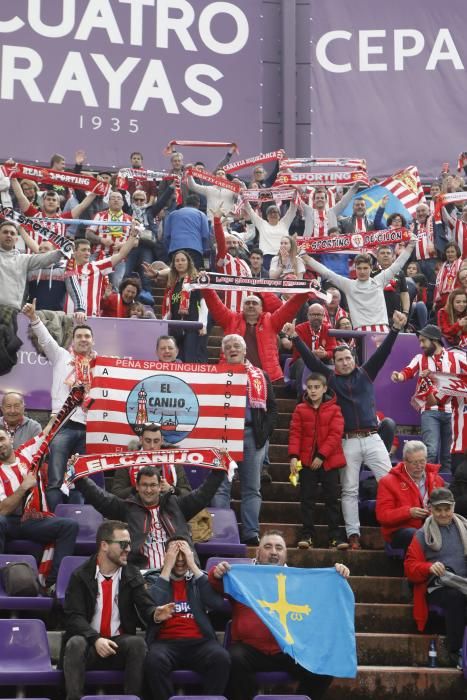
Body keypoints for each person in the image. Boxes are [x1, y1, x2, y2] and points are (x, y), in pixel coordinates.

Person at [285, 310, 407, 549]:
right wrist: (296, 339)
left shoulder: (365, 373)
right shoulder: (330, 378)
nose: (343, 362)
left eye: (347, 359)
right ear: (335, 363)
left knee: (389, 481)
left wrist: (394, 329)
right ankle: (353, 535)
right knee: (349, 489)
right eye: (339, 360)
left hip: (372, 438)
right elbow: (312, 362)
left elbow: (383, 352)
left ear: (354, 359)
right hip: (347, 441)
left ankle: (398, 527)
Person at [209, 530, 350, 700]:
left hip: (289, 649)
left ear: (285, 554)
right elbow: (216, 585)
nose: (274, 552)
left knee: (324, 665)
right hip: (249, 649)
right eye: (267, 547)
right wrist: (217, 573)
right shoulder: (241, 577)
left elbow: (324, 595)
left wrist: (337, 575)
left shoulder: (300, 581)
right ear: (258, 552)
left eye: (279, 548)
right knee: (233, 659)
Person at [62, 520, 157, 700]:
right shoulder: (80, 575)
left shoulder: (131, 573)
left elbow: (146, 606)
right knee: (75, 643)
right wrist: (95, 639)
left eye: (129, 544)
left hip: (118, 646)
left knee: (137, 644)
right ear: (104, 545)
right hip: (88, 643)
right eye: (123, 544)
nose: (128, 549)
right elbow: (74, 617)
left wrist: (155, 614)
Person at [75, 464, 225, 569]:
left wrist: (219, 472)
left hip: (180, 572)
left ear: (160, 486)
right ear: (137, 487)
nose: (148, 490)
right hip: (142, 576)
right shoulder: (128, 508)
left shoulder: (177, 504)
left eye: (153, 485)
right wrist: (80, 478)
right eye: (144, 485)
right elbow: (100, 498)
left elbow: (203, 494)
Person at [22, 300, 96, 510]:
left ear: (93, 341)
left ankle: (78, 525)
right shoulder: (61, 356)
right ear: (72, 340)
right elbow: (45, 340)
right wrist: (33, 318)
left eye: (87, 336)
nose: (83, 339)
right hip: (61, 427)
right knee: (55, 479)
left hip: (89, 429)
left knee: (81, 480)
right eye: (79, 336)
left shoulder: (101, 364)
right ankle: (55, 525)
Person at [145, 536, 231, 700]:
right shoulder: (153, 578)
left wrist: (194, 566)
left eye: (184, 554)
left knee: (221, 658)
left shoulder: (199, 579)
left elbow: (217, 603)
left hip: (200, 642)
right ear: (166, 556)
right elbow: (150, 606)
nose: (179, 560)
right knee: (153, 661)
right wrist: (166, 569)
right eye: (174, 554)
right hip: (165, 643)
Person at [211, 335, 277, 545]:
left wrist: (264, 433)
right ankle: (222, 532)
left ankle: (250, 532)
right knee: (221, 486)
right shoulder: (214, 375)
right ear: (223, 352)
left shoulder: (260, 375)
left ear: (244, 350)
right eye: (228, 346)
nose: (232, 349)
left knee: (252, 487)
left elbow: (273, 408)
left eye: (236, 345)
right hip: (223, 436)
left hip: (251, 434)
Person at [0, 428, 78, 593]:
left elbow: (50, 428)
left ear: (10, 439)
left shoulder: (26, 453)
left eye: (1, 439)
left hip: (34, 520)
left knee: (69, 526)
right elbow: (2, 511)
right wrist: (23, 488)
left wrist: (69, 405)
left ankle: (54, 583)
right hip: (10, 522)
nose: (0, 445)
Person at [391, 324, 466, 473]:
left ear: (435, 340)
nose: (421, 345)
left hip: (453, 412)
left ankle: (444, 489)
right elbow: (408, 371)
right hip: (429, 410)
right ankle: (427, 485)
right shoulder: (419, 358)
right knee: (430, 451)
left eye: (423, 341)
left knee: (448, 454)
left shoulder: (456, 357)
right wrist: (398, 376)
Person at [404, 487, 467, 668]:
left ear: (453, 508)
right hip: (437, 586)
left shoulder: (465, 527)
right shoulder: (422, 534)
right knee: (456, 597)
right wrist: (429, 567)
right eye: (438, 510)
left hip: (462, 582)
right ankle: (455, 651)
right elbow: (410, 568)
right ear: (431, 509)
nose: (443, 514)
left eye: (447, 509)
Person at [300, 237, 416, 332]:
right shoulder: (349, 285)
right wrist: (305, 257)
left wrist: (411, 245)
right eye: (359, 268)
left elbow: (398, 264)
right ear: (355, 269)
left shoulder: (379, 280)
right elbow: (327, 272)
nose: (362, 271)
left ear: (371, 268)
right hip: (360, 333)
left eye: (365, 268)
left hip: (383, 330)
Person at [289, 373, 348, 550]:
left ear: (324, 389)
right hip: (306, 462)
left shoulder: (335, 409)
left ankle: (335, 537)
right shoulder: (300, 409)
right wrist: (293, 456)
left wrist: (321, 456)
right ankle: (307, 536)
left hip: (328, 461)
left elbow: (335, 435)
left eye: (317, 387)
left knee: (332, 499)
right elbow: (295, 434)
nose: (313, 391)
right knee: (307, 499)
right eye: (310, 387)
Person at [202, 287, 310, 382]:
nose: (251, 305)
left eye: (254, 303)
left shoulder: (271, 321)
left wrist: (307, 291)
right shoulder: (231, 319)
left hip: (265, 378)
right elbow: (214, 304)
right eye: (247, 303)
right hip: (232, 375)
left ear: (261, 308)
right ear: (242, 307)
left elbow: (290, 307)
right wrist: (205, 286)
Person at [375, 440, 444, 553]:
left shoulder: (437, 479)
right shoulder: (387, 482)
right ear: (405, 461)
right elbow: (382, 516)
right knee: (415, 535)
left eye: (422, 461)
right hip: (399, 531)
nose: (419, 466)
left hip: (431, 528)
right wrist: (408, 512)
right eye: (414, 463)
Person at [63, 227, 140, 317]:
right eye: (83, 250)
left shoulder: (97, 266)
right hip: (69, 316)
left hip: (92, 317)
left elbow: (121, 255)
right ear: (74, 252)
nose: (87, 253)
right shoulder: (64, 266)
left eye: (89, 250)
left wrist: (133, 235)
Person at [111, 422, 191, 499]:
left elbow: (187, 493)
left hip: (168, 509)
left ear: (162, 440)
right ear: (141, 440)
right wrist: (137, 488)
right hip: (136, 509)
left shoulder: (173, 461)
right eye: (148, 441)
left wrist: (171, 489)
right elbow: (116, 494)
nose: (152, 446)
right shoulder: (127, 461)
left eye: (156, 441)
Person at [0, 221, 65, 311]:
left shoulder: (24, 259)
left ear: (16, 239)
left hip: (12, 310)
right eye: (5, 232)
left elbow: (44, 258)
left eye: (12, 233)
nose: (9, 235)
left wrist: (63, 251)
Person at [159, 250, 208, 363]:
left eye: (182, 260)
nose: (180, 263)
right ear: (174, 265)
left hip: (192, 326)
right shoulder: (172, 284)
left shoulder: (196, 280)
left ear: (188, 263)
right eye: (177, 261)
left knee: (189, 359)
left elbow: (203, 302)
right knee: (177, 360)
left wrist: (203, 324)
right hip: (175, 327)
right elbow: (168, 308)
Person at [289, 303, 337, 393]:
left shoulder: (328, 330)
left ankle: (332, 393)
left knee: (330, 362)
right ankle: (302, 396)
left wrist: (326, 354)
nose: (316, 317)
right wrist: (311, 354)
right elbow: (297, 351)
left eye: (319, 315)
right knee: (301, 362)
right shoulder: (299, 328)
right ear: (308, 315)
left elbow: (333, 350)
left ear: (323, 316)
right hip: (300, 363)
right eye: (313, 314)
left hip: (321, 363)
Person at [243, 201, 297, 271]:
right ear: (267, 216)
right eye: (270, 212)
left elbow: (292, 210)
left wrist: (294, 196)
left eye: (275, 212)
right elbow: (250, 210)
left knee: (284, 279)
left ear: (279, 215)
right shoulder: (262, 224)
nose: (273, 214)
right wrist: (244, 198)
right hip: (266, 257)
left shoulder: (284, 223)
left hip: (283, 256)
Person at [163, 194, 210, 270]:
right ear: (198, 204)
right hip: (195, 251)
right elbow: (205, 236)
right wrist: (203, 252)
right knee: (193, 278)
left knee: (177, 278)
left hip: (175, 250)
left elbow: (166, 236)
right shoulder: (201, 215)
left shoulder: (172, 214)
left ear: (185, 203)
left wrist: (170, 250)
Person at [433, 242, 462, 312]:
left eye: (452, 252)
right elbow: (437, 285)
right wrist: (434, 301)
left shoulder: (462, 265)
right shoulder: (442, 268)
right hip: (441, 301)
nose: (450, 254)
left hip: (456, 298)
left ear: (457, 252)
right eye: (448, 252)